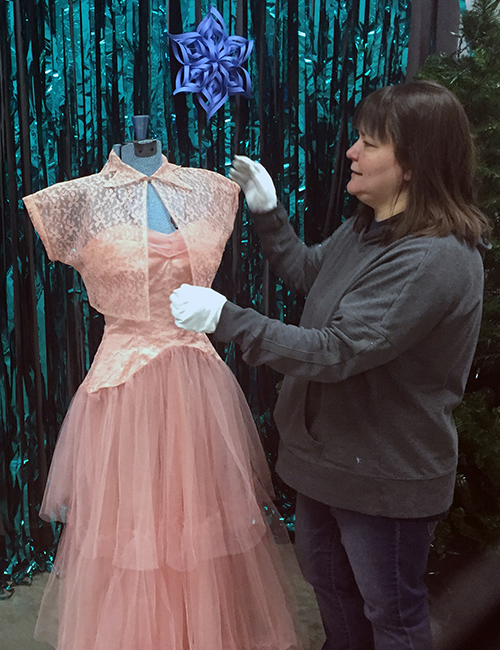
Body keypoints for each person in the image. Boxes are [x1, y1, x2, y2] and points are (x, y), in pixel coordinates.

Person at [169, 80, 491, 650]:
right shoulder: (370, 226)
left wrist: (229, 319)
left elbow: (336, 351)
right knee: (332, 592)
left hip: (384, 479)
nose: (352, 152)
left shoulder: (433, 258)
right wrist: (268, 214)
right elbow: (307, 272)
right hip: (323, 462)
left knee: (391, 615)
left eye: (370, 143)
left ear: (413, 163)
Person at [23, 143, 302, 649]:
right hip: (123, 389)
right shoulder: (75, 199)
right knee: (134, 531)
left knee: (200, 525)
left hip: (197, 386)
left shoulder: (213, 191)